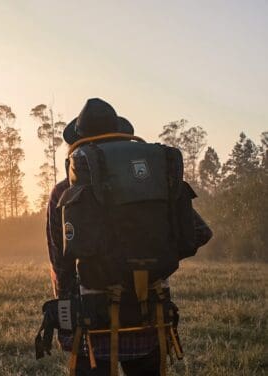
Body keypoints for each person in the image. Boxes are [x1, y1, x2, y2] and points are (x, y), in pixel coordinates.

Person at [45, 98, 212, 376]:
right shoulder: (155, 182)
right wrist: (150, 258)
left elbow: (60, 263)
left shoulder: (63, 191)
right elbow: (200, 233)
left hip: (93, 324)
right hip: (150, 316)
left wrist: (66, 320)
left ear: (81, 142)